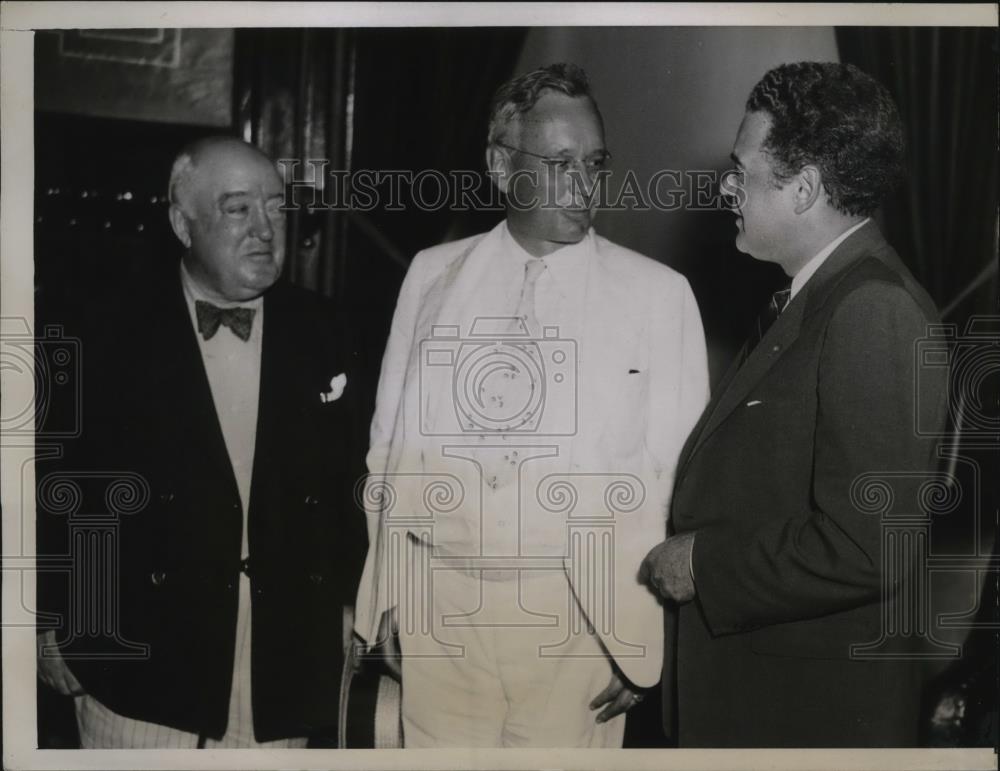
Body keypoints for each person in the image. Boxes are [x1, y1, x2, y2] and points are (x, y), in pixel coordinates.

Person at [353, 62, 709, 747]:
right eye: (560, 161)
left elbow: (678, 482)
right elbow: (390, 448)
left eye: (596, 162)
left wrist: (640, 636)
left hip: (578, 619)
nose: (585, 184)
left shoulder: (657, 296)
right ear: (498, 163)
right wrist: (391, 594)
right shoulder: (432, 274)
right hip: (441, 607)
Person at [640, 61, 950, 747]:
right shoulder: (817, 299)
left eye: (741, 167)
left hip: (805, 719)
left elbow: (870, 545)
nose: (726, 186)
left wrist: (704, 563)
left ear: (804, 187)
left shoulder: (873, 310)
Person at [36, 136, 362, 748]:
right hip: (136, 673)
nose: (265, 228)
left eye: (276, 207)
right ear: (182, 224)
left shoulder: (327, 330)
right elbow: (52, 484)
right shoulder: (101, 328)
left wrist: (355, 607)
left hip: (279, 676)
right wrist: (47, 619)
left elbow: (357, 486)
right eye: (238, 209)